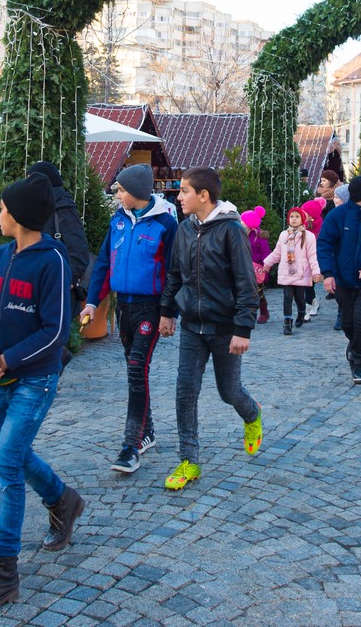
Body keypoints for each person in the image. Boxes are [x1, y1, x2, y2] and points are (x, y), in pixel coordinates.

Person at [0, 174, 83, 620]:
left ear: (22, 216)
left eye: (5, 208)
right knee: (16, 453)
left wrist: (5, 359)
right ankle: (62, 499)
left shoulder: (53, 261)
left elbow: (56, 332)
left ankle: (3, 571)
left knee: (4, 462)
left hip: (34, 380)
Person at [157, 167, 263, 492]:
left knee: (228, 391)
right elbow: (175, 274)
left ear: (203, 196)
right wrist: (167, 312)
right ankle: (189, 460)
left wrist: (243, 329)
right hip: (191, 325)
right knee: (185, 390)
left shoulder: (232, 231)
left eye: (185, 191)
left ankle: (252, 414)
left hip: (225, 327)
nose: (179, 196)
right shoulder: (184, 229)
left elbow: (247, 284)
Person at [81, 163, 178, 475]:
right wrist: (93, 303)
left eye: (120, 189)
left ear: (136, 192)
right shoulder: (118, 221)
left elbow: (174, 273)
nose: (117, 194)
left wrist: (168, 312)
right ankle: (146, 430)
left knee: (138, 367)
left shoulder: (165, 223)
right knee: (135, 370)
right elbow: (104, 264)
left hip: (150, 308)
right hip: (123, 308)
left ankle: (130, 446)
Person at [317, 175, 361, 384]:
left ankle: (358, 362)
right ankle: (354, 344)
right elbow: (324, 245)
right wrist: (328, 274)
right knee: (348, 323)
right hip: (342, 279)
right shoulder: (337, 216)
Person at [27, 161, 91, 303]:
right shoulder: (38, 205)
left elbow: (78, 246)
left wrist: (69, 279)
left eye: (31, 179)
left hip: (57, 283)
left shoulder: (62, 206)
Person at [261, 206, 322, 335]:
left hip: (301, 273)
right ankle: (287, 322)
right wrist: (266, 264)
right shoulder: (284, 235)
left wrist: (316, 272)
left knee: (300, 298)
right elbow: (277, 252)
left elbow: (312, 255)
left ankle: (301, 313)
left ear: (302, 219)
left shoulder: (309, 236)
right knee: (287, 297)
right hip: (286, 271)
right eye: (292, 217)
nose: (294, 219)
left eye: (297, 217)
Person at [239, 206, 272, 325]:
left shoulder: (259, 235)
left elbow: (265, 251)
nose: (240, 222)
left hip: (256, 269)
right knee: (243, 292)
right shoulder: (239, 234)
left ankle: (264, 311)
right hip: (242, 267)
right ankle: (247, 314)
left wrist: (265, 265)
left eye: (242, 221)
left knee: (258, 292)